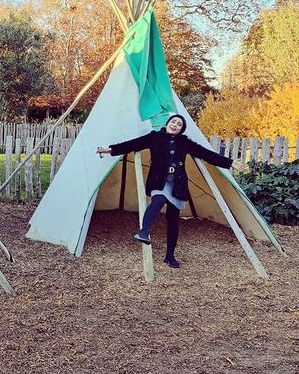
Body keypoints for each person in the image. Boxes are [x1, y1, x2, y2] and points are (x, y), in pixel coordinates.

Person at [96, 114, 243, 269]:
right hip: (159, 180)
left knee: (173, 220)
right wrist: (110, 149)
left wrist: (230, 163)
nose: (175, 125)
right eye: (173, 122)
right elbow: (133, 144)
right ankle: (143, 232)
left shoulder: (184, 142)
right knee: (158, 199)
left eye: (179, 124)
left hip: (177, 183)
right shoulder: (154, 137)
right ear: (167, 123)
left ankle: (170, 255)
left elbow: (206, 154)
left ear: (181, 129)